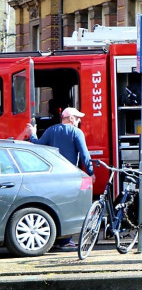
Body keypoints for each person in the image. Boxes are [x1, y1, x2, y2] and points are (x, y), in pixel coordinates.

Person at [24, 107, 96, 251]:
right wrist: (91, 172)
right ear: (70, 118)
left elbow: (38, 146)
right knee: (70, 206)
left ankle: (56, 238)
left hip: (52, 176)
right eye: (77, 117)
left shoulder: (51, 130)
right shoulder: (76, 132)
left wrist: (33, 135)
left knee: (56, 205)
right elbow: (84, 154)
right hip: (69, 176)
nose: (79, 120)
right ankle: (65, 241)